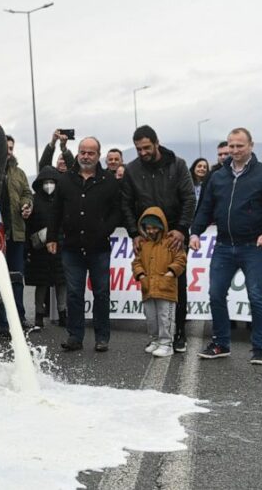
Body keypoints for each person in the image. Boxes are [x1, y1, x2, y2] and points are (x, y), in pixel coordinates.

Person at [190, 128, 262, 365]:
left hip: (253, 246)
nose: (234, 151)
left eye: (239, 146)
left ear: (251, 145)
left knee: (256, 296)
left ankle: (260, 348)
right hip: (223, 245)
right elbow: (205, 207)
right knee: (215, 294)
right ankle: (221, 343)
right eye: (231, 146)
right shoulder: (217, 177)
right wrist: (195, 232)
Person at [121, 125, 195, 353]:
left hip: (174, 234)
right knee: (151, 285)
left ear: (156, 142)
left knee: (175, 284)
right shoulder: (132, 170)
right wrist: (134, 232)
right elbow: (125, 203)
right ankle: (158, 336)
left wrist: (182, 229)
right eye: (138, 149)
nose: (142, 153)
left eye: (146, 147)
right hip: (148, 235)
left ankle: (178, 332)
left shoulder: (178, 165)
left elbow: (189, 198)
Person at [46, 137, 121, 352]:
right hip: (71, 248)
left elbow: (117, 211)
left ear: (99, 155)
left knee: (101, 293)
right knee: (74, 293)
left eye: (91, 153)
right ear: (77, 153)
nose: (86, 156)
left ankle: (102, 337)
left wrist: (105, 229)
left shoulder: (109, 181)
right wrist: (51, 237)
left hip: (99, 248)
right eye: (82, 152)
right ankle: (75, 336)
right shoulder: (65, 180)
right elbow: (56, 211)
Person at [131, 207, 187, 358]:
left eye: (154, 227)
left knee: (165, 317)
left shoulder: (171, 242)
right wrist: (141, 276)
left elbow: (181, 259)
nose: (151, 231)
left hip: (166, 288)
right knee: (151, 317)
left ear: (161, 226)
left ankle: (166, 343)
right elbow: (136, 263)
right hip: (148, 288)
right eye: (148, 228)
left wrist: (170, 273)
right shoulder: (143, 244)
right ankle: (155, 340)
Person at [0, 135, 33, 336]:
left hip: (16, 233)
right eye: (6, 147)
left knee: (17, 279)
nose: (9, 151)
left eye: (11, 148)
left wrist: (27, 205)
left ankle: (19, 318)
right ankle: (3, 324)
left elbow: (27, 193)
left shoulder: (19, 173)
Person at [25, 165, 66, 329]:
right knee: (41, 283)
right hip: (39, 250)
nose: (49, 185)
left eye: (52, 182)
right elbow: (28, 225)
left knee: (61, 282)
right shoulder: (34, 201)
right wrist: (30, 246)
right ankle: (38, 316)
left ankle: (63, 313)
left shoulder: (62, 201)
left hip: (60, 247)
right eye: (45, 182)